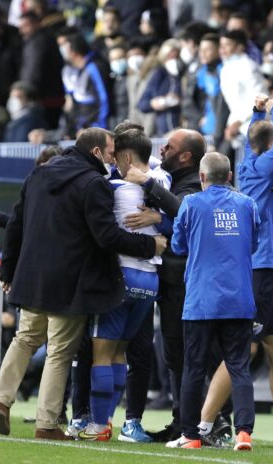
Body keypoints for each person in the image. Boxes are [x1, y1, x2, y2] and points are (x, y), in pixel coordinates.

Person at [0, 128, 166, 441]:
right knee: (58, 351)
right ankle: (46, 424)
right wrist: (150, 247)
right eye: (111, 152)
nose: (114, 159)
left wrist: (8, 270)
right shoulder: (93, 184)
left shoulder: (38, 175)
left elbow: (16, 224)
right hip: (71, 282)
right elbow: (107, 236)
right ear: (96, 152)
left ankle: (1, 401)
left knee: (25, 339)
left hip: (32, 277)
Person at [199, 95, 273, 450]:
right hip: (260, 269)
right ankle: (204, 426)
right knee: (243, 352)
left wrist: (256, 111)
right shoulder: (265, 167)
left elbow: (263, 137)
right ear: (270, 146)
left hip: (271, 271)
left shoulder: (252, 161)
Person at [80, 129, 170, 441]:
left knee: (102, 353)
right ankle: (111, 422)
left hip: (120, 275)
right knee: (120, 352)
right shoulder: (163, 183)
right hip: (150, 279)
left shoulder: (111, 187)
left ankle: (99, 424)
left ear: (126, 158)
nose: (112, 162)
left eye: (116, 157)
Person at [166, 152, 259, 451]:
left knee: (193, 367)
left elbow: (178, 245)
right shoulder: (248, 204)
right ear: (230, 177)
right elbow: (253, 243)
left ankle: (191, 435)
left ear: (202, 178)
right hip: (239, 299)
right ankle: (244, 433)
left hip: (201, 300)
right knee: (238, 367)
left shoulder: (192, 203)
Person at [122, 128, 205, 442]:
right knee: (174, 354)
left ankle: (204, 423)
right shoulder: (172, 180)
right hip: (168, 280)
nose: (162, 149)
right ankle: (182, 420)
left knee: (187, 355)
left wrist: (150, 195)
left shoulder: (194, 185)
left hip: (182, 281)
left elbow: (182, 211)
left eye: (169, 146)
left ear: (185, 156)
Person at [17, 11, 65, 129]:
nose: (22, 30)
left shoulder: (39, 42)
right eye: (21, 27)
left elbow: (33, 70)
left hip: (45, 97)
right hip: (47, 96)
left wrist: (25, 91)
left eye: (26, 26)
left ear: (37, 24)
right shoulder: (35, 41)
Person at [59, 32, 112, 135]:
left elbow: (103, 98)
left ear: (74, 52)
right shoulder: (76, 70)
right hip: (84, 129)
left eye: (65, 48)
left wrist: (99, 128)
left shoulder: (94, 67)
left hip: (98, 130)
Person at [219, 30, 267, 143]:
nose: (222, 49)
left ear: (240, 47)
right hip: (239, 130)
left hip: (257, 127)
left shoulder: (248, 67)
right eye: (221, 45)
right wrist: (232, 123)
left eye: (227, 45)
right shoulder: (225, 68)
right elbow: (235, 105)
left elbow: (260, 98)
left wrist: (239, 121)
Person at [138, 39, 182, 136]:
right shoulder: (159, 74)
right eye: (170, 56)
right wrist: (154, 103)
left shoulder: (185, 74)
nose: (173, 59)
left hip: (184, 128)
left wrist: (180, 100)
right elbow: (142, 104)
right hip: (162, 131)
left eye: (176, 56)